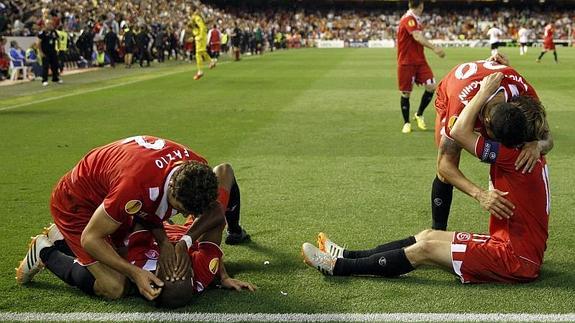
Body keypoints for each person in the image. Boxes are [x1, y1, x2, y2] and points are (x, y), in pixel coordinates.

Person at [303, 72, 550, 284]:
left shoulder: (511, 155)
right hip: (511, 246)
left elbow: (459, 131)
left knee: (425, 249)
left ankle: (337, 267)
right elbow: (543, 137)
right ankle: (347, 254)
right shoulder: (527, 151)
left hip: (515, 259)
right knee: (428, 235)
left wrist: (484, 91)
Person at [16, 135, 250, 300]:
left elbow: (212, 206)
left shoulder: (196, 170)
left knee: (119, 251)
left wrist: (175, 243)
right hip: (77, 204)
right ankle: (46, 252)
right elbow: (91, 238)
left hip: (114, 193)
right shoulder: (135, 190)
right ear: (171, 192)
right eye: (182, 210)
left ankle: (63, 240)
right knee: (114, 286)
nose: (187, 216)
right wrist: (135, 273)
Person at [430, 55, 553, 231]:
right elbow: (444, 165)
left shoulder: (523, 94)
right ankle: (437, 231)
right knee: (445, 171)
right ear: (485, 122)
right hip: (454, 90)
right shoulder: (459, 109)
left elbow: (548, 138)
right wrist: (480, 195)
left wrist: (537, 145)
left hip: (489, 81)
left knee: (515, 148)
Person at [396, 0, 445, 134]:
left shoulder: (415, 19)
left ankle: (419, 114)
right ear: (421, 6)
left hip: (419, 61)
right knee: (406, 93)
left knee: (431, 86)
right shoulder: (409, 19)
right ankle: (406, 123)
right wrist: (435, 48)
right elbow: (417, 36)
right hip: (406, 62)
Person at [189, 11, 215, 80]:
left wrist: (200, 36)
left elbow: (202, 27)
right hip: (198, 36)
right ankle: (211, 62)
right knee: (201, 52)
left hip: (200, 37)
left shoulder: (196, 17)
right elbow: (200, 25)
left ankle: (200, 71)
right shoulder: (194, 18)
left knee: (198, 53)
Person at [37, 20, 61, 86]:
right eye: (48, 24)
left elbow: (57, 39)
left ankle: (55, 78)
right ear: (45, 25)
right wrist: (41, 52)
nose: (50, 25)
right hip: (45, 52)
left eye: (51, 24)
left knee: (55, 65)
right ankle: (44, 80)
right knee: (45, 66)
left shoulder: (54, 32)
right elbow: (38, 43)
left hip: (53, 51)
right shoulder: (42, 33)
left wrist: (58, 48)